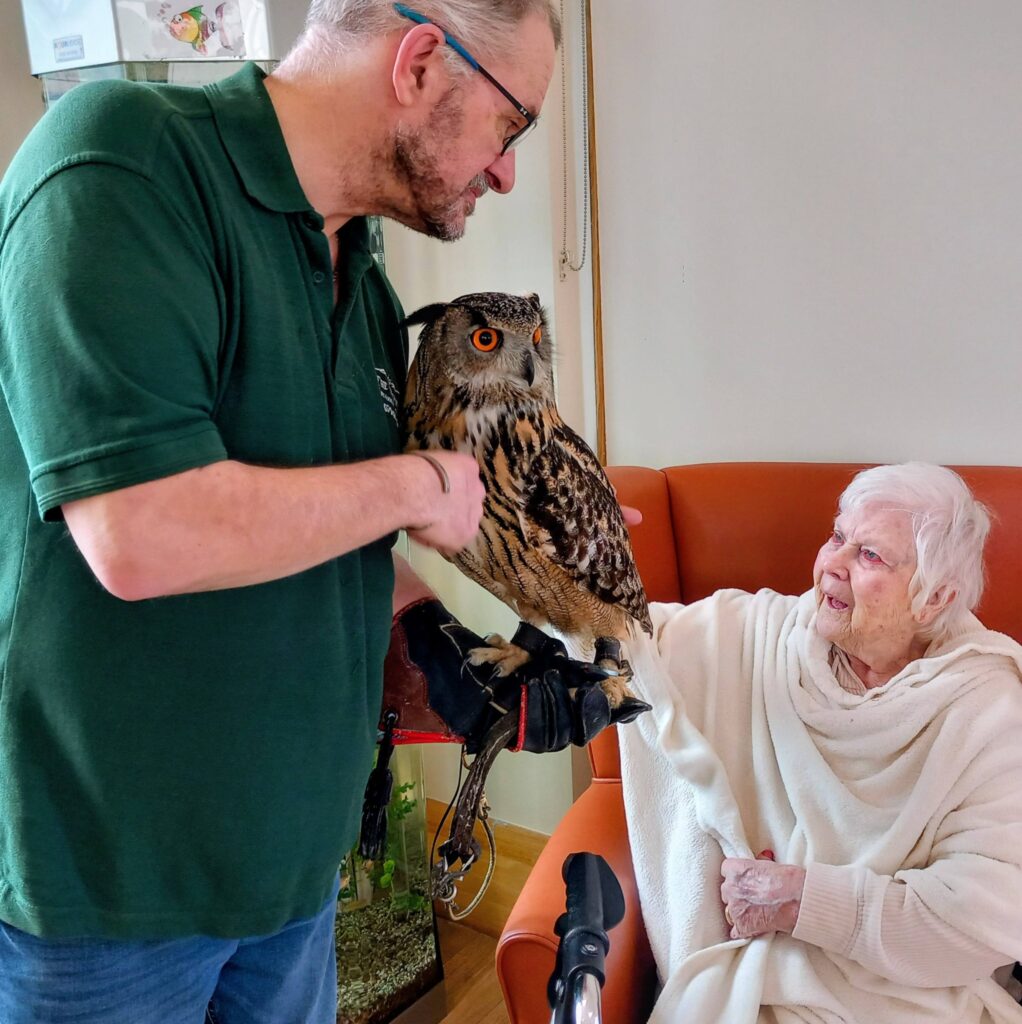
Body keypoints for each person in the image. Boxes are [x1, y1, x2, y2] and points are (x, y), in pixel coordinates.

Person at [0, 2, 640, 1022]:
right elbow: (140, 532)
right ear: (422, 61)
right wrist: (423, 486)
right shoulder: (125, 163)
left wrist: (448, 656)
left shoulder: (372, 298)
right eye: (509, 125)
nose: (506, 169)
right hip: (112, 906)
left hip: (298, 879)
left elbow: (329, 533)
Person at [617, 462, 1022, 1023]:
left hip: (906, 995)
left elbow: (984, 917)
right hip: (753, 970)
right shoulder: (766, 634)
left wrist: (802, 901)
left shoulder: (986, 705)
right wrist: (569, 543)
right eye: (837, 536)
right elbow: (622, 644)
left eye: (870, 555)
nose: (832, 562)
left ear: (934, 598)